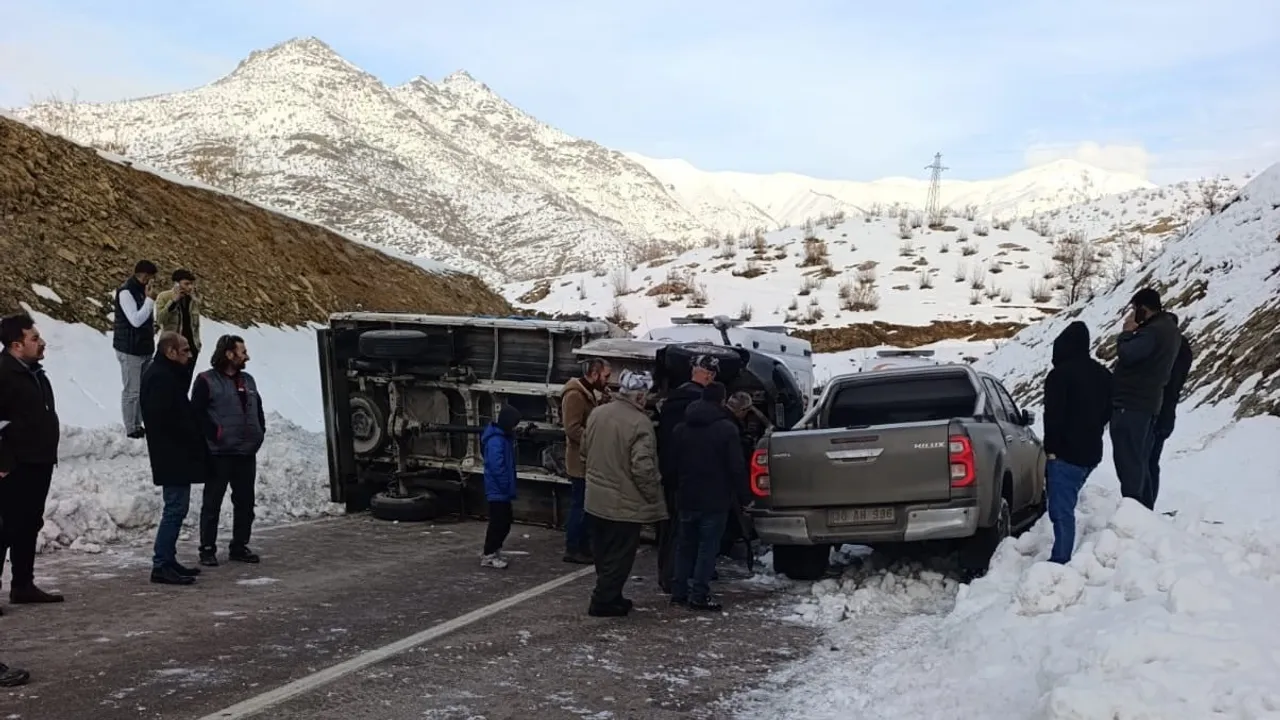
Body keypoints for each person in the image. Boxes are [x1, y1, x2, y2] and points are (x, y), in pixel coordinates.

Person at [582, 370, 665, 617]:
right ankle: (603, 601)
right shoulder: (640, 423)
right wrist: (653, 496)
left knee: (603, 553)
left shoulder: (598, 413)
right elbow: (642, 467)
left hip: (595, 498)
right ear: (640, 395)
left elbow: (584, 448)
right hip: (623, 504)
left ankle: (612, 595)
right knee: (620, 557)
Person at [0, 313, 64, 605]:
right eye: (34, 338)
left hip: (39, 461)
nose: (42, 343)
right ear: (16, 345)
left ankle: (23, 585)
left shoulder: (35, 372)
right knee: (5, 528)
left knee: (29, 524)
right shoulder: (3, 374)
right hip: (14, 466)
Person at [669, 382, 748, 611]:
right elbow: (736, 467)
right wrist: (745, 498)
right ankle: (699, 594)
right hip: (715, 499)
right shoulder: (727, 429)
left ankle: (678, 592)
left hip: (686, 496)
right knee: (707, 548)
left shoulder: (681, 428)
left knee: (684, 546)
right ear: (722, 401)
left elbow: (671, 465)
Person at [140, 332, 209, 585]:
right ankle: (161, 563)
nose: (189, 356)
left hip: (175, 453)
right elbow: (166, 419)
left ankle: (168, 559)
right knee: (175, 508)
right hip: (172, 454)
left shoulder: (165, 374)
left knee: (177, 508)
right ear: (170, 352)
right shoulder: (160, 378)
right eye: (185, 351)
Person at [1042, 322, 1112, 564]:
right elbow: (1107, 413)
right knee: (1067, 503)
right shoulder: (1104, 374)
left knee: (1061, 511)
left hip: (1064, 453)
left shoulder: (1059, 376)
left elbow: (1053, 415)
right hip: (1091, 451)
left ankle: (1060, 560)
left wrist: (1050, 449)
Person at [193, 335, 266, 566]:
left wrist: (259, 431)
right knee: (213, 502)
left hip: (246, 453)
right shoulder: (206, 380)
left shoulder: (249, 381)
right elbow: (197, 413)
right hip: (219, 454)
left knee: (245, 502)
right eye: (242, 352)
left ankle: (239, 545)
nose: (247, 356)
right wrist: (215, 435)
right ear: (229, 354)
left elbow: (258, 409)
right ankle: (207, 548)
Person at [1109, 289, 1181, 508]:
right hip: (1148, 405)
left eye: (1135, 309)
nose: (1132, 314)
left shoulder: (1152, 332)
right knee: (1141, 461)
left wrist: (1127, 333)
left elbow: (1128, 354)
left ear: (1143, 309)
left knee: (1128, 462)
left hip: (1131, 404)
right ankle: (1144, 511)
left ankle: (1133, 511)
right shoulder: (1170, 331)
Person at [655, 354, 718, 593]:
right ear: (707, 375)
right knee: (683, 532)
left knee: (670, 527)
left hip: (670, 471)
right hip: (688, 475)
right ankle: (676, 577)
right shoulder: (697, 403)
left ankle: (668, 575)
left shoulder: (673, 398)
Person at [560, 358, 611, 565]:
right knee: (579, 505)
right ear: (594, 373)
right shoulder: (575, 395)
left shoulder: (589, 394)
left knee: (585, 505)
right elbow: (572, 428)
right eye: (606, 376)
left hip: (588, 459)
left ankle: (583, 546)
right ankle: (573, 547)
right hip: (580, 462)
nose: (608, 380)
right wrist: (595, 443)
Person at [1148, 325, 1193, 510]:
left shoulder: (1168, 351)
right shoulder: (1183, 350)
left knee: (1146, 461)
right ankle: (1147, 504)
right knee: (1152, 461)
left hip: (1156, 411)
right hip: (1167, 413)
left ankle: (1143, 506)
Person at [114, 260, 158, 439]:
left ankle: (139, 422)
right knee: (132, 389)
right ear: (144, 275)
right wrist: (150, 300)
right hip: (130, 349)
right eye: (150, 277)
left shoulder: (141, 291)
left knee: (144, 388)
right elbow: (135, 320)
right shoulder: (126, 292)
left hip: (144, 347)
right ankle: (131, 427)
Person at [481, 404, 521, 569]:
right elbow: (497, 467)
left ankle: (493, 550)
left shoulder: (499, 438)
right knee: (499, 522)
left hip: (499, 489)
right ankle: (489, 553)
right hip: (498, 490)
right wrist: (506, 486)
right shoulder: (497, 441)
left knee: (503, 521)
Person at [154, 269, 202, 388]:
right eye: (186, 284)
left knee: (184, 385)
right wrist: (174, 302)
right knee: (166, 385)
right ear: (176, 284)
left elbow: (195, 326)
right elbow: (160, 319)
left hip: (190, 349)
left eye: (191, 284)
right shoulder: (164, 297)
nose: (190, 287)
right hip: (172, 349)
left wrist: (197, 347)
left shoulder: (193, 300)